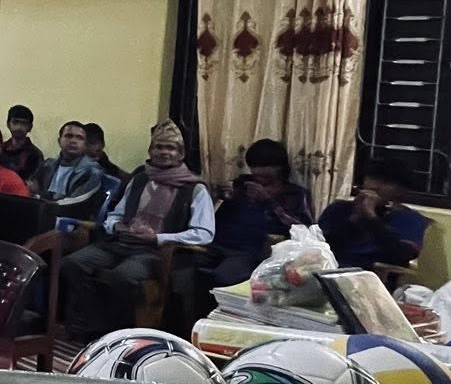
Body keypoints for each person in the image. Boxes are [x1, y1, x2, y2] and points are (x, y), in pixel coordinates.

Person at [62, 119, 214, 339]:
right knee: (73, 263)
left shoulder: (194, 188)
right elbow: (116, 213)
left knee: (122, 276)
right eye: (159, 147)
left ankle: (122, 335)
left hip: (153, 252)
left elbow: (204, 233)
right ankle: (94, 326)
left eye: (170, 148)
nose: (164, 152)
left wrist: (158, 237)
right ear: (151, 151)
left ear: (180, 154)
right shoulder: (141, 178)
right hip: (120, 244)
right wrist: (115, 225)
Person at [204, 139, 315, 288]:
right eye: (254, 166)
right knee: (178, 264)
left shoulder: (295, 194)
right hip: (218, 245)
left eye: (265, 167)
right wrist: (220, 196)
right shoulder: (241, 184)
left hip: (253, 251)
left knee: (225, 275)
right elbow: (217, 215)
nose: (258, 171)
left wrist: (268, 201)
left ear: (279, 167)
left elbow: (303, 228)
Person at [318, 156, 429, 273]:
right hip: (325, 268)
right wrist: (354, 219)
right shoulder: (339, 208)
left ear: (400, 191)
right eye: (372, 179)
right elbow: (319, 244)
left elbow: (400, 256)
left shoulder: (410, 218)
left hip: (368, 276)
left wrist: (371, 218)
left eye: (385, 182)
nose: (374, 186)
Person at [34, 120, 109, 206]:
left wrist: (40, 197)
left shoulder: (93, 172)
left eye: (79, 138)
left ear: (85, 144)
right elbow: (29, 189)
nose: (73, 141)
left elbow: (74, 202)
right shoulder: (47, 165)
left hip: (73, 217)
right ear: (59, 141)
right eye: (68, 136)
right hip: (41, 212)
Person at [0, 105, 43, 183]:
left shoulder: (35, 154)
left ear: (30, 127)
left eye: (24, 123)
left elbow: (33, 182)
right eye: (15, 122)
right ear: (8, 124)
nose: (19, 127)